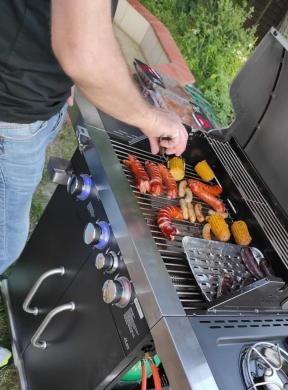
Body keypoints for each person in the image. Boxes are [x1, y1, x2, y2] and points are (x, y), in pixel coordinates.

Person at [0, 0, 188, 275]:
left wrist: (62, 72)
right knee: (6, 243)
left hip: (24, 98)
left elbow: (77, 23)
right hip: (12, 112)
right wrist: (151, 118)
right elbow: (85, 53)